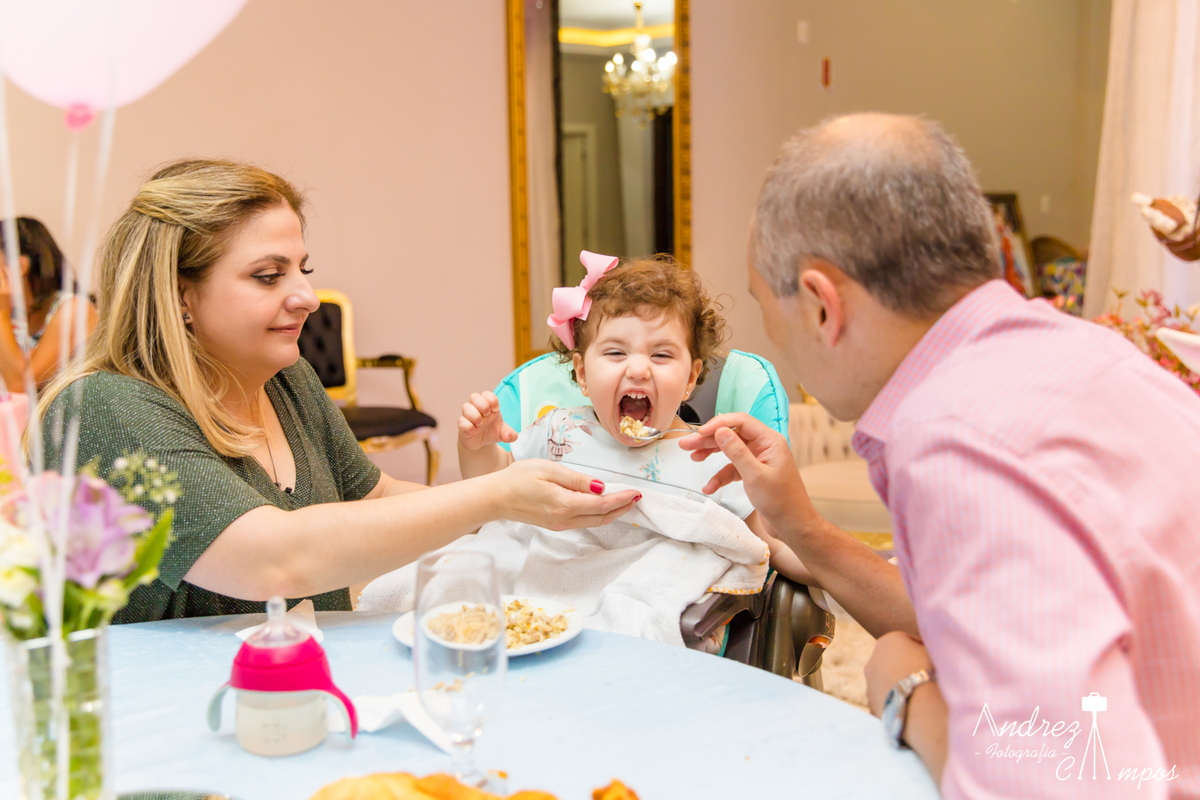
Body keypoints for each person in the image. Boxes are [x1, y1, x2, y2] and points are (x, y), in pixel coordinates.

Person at [681, 114, 1200, 798]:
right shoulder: (1084, 355)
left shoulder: (961, 439)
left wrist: (907, 689)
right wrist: (804, 529)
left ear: (820, 306)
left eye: (762, 304)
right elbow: (981, 609)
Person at [37, 159, 639, 624]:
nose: (303, 296)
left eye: (304, 269)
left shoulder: (286, 380)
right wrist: (497, 498)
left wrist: (537, 501)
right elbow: (275, 560)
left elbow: (375, 498)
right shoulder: (108, 409)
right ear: (180, 296)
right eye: (268, 275)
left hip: (298, 696)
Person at [457, 254, 812, 585]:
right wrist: (477, 446)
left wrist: (825, 570)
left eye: (661, 354)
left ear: (690, 378)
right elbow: (492, 488)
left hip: (655, 599)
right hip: (552, 587)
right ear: (582, 373)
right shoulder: (557, 433)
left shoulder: (715, 462)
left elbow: (769, 548)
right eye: (615, 352)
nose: (639, 369)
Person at [0, 217, 96, 389]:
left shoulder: (74, 310)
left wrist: (1, 315)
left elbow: (21, 385)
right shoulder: (18, 315)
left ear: (18, 266)